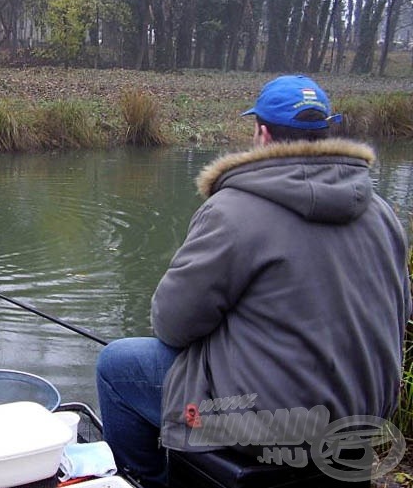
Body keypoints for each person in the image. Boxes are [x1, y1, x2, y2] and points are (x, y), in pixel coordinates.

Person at [96, 74, 411, 486]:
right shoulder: (382, 213)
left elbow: (171, 324)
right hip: (362, 420)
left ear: (262, 134)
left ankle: (147, 481)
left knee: (117, 366)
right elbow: (399, 311)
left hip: (275, 426)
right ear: (328, 132)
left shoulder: (233, 211)